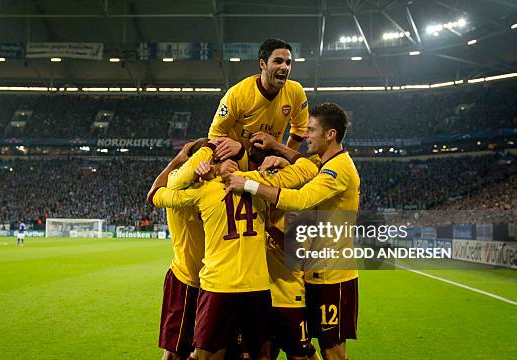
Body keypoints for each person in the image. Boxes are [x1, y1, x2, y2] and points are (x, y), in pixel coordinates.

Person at [224, 103, 360, 360]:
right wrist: (279, 151)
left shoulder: (339, 168)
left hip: (333, 275)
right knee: (314, 348)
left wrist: (249, 184)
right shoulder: (323, 161)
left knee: (333, 351)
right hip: (314, 273)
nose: (306, 135)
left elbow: (299, 199)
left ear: (330, 134)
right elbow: (303, 165)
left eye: (311, 130)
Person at [148, 149, 273, 360]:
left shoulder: (218, 186)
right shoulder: (184, 185)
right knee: (176, 352)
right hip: (189, 280)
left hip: (217, 283)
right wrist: (179, 161)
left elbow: (154, 195)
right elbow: (155, 193)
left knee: (223, 350)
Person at [209, 38, 309, 161]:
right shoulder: (237, 94)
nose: (285, 67)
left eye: (288, 62)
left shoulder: (296, 91)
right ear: (263, 64)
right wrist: (223, 162)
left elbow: (300, 128)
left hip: (269, 161)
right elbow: (216, 134)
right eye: (278, 61)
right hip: (237, 162)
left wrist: (285, 155)